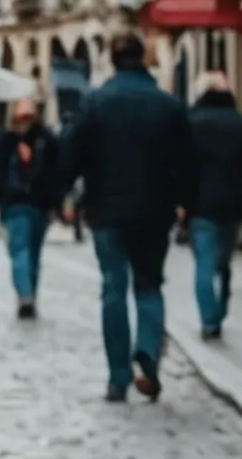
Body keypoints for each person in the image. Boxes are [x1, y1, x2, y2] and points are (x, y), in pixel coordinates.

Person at [60, 32, 197, 403]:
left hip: (107, 210)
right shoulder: (169, 106)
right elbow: (189, 161)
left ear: (112, 61)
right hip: (155, 210)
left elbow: (69, 154)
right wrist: (187, 204)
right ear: (145, 58)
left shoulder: (95, 104)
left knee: (113, 288)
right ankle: (148, 353)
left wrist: (61, 193)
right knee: (149, 285)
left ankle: (118, 377)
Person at [185, 72, 242, 341]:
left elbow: (178, 165)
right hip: (234, 204)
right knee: (223, 260)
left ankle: (210, 318)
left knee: (204, 263)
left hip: (199, 204)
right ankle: (219, 310)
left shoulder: (191, 123)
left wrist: (179, 199)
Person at [0, 96, 60, 317]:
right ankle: (25, 294)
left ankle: (29, 294)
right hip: (15, 202)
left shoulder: (46, 139)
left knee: (32, 252)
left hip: (39, 203)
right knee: (21, 249)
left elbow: (57, 167)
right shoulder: (5, 140)